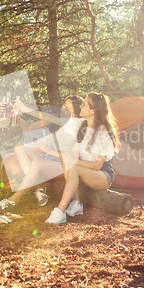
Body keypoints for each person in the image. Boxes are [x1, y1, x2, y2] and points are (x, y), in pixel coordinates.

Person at [0, 96, 84, 211]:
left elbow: (72, 157)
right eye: (63, 105)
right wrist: (14, 115)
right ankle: (38, 187)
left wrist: (25, 108)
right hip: (47, 162)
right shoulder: (55, 120)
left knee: (35, 163)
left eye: (67, 107)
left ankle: (13, 200)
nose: (62, 108)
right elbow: (28, 127)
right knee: (19, 146)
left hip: (62, 165)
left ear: (75, 113)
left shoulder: (76, 124)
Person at [45, 92, 119, 225]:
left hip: (103, 175)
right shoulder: (79, 125)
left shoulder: (104, 132)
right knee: (66, 161)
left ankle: (60, 210)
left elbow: (98, 165)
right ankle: (77, 203)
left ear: (92, 111)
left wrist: (75, 162)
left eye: (84, 105)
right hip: (84, 170)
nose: (81, 107)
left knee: (73, 166)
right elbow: (56, 121)